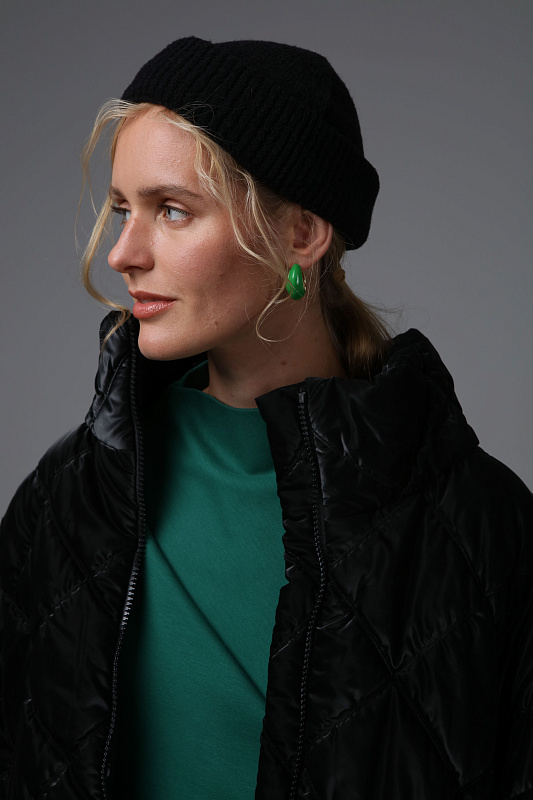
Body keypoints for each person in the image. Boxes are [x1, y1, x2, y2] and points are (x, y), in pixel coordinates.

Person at [0, 36, 532, 800]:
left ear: (301, 235)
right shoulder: (65, 501)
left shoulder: (484, 526)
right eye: (121, 209)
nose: (122, 253)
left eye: (172, 210)